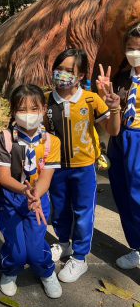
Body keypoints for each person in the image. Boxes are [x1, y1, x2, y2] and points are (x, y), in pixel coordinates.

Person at [46, 48, 120, 283]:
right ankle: (63, 244)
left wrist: (114, 108)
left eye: (69, 70)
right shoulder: (47, 100)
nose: (62, 74)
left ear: (80, 76)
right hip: (56, 167)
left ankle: (79, 257)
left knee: (83, 211)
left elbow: (113, 130)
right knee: (59, 209)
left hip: (85, 167)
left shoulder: (91, 99)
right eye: (59, 68)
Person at [0, 84, 62, 299]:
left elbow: (46, 178)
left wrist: (35, 195)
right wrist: (26, 191)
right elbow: (4, 178)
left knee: (35, 247)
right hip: (10, 198)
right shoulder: (5, 138)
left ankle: (46, 271)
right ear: (13, 111)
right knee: (17, 250)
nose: (29, 114)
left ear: (44, 109)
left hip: (38, 198)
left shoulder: (52, 142)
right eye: (22, 109)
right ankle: (10, 270)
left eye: (34, 108)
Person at [99, 23, 140, 269]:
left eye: (139, 49)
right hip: (120, 140)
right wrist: (107, 97)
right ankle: (136, 246)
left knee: (138, 197)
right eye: (131, 48)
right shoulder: (122, 77)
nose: (135, 53)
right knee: (123, 195)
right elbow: (111, 117)